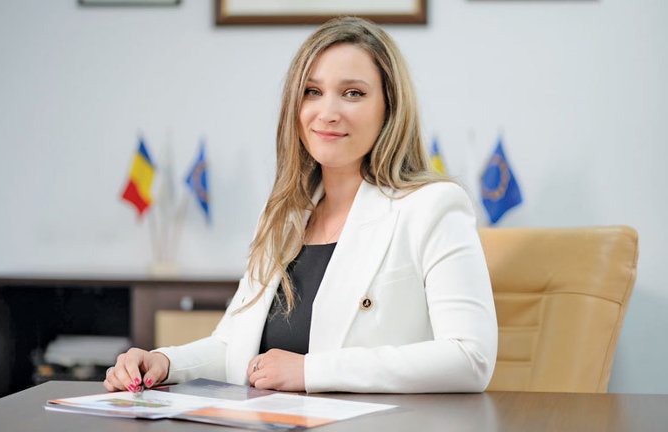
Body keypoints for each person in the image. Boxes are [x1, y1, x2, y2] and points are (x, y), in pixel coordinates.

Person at [104, 17, 497, 395]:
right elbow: (233, 348)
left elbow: (469, 357)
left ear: (389, 108)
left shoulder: (433, 206)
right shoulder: (282, 215)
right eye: (312, 91)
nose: (327, 113)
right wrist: (164, 362)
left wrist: (310, 371)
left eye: (353, 93)